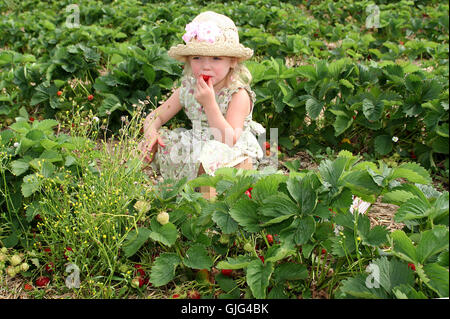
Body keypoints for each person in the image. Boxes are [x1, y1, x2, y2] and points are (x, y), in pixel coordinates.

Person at [138, 11, 266, 182]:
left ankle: (203, 193)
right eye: (197, 58)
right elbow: (155, 116)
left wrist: (210, 104)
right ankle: (131, 183)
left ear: (233, 61)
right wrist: (150, 134)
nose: (206, 66)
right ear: (189, 61)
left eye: (216, 58)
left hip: (230, 150)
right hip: (196, 146)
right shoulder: (188, 89)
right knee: (150, 145)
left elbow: (228, 140)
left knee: (212, 162)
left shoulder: (238, 94)